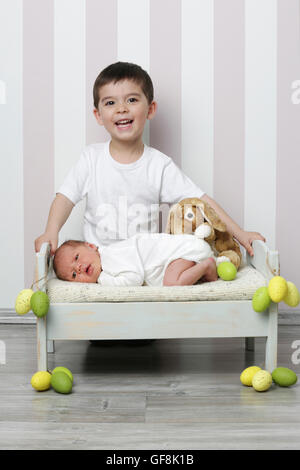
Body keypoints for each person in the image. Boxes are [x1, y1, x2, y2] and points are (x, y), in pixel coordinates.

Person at [34, 61, 265, 259]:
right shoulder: (91, 159)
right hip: (99, 264)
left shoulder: (159, 166)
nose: (122, 109)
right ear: (98, 115)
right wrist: (50, 231)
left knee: (192, 253)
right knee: (66, 261)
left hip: (144, 263)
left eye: (132, 100)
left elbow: (202, 202)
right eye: (110, 103)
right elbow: (65, 198)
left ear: (150, 109)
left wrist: (240, 233)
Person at [52, 233, 218, 287]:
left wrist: (104, 280)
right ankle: (204, 272)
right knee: (173, 277)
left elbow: (135, 278)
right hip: (179, 257)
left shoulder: (110, 257)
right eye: (74, 275)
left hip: (182, 251)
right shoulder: (106, 260)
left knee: (171, 284)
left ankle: (207, 265)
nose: (79, 268)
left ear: (91, 246)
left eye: (76, 258)